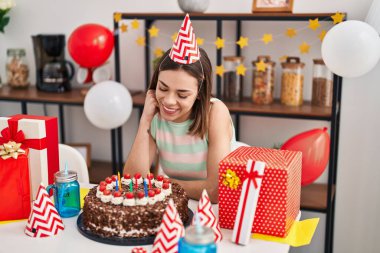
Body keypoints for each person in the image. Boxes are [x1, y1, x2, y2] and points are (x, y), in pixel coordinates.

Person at [124, 15, 235, 204]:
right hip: (178, 201)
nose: (168, 101)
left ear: (200, 92)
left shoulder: (215, 112)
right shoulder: (156, 115)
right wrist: (145, 122)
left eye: (182, 94)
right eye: (163, 88)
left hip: (214, 206)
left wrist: (164, 184)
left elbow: (216, 190)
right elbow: (132, 182)